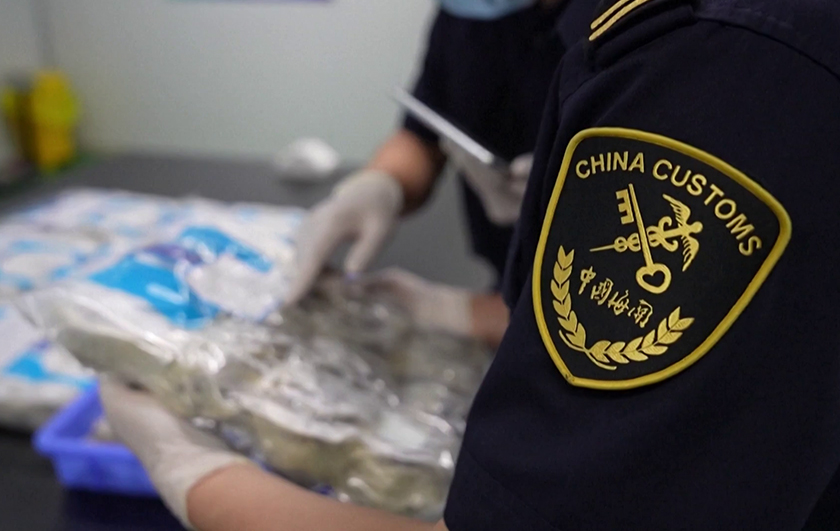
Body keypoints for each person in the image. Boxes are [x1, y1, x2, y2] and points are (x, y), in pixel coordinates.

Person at [101, 0, 840, 529]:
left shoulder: (730, 64)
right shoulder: (535, 19)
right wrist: (381, 184)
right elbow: (424, 121)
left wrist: (195, 473)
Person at [285, 0, 595, 348]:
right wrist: (381, 184)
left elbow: (616, 321)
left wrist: (453, 313)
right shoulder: (469, 13)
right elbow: (423, 133)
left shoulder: (636, 34)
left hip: (596, 314)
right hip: (512, 287)